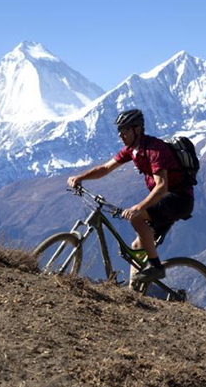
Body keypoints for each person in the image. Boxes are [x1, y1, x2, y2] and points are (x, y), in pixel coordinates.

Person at [67, 108, 194, 284]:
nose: (120, 135)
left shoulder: (155, 149)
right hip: (165, 201)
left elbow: (162, 186)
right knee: (137, 247)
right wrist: (80, 178)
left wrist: (139, 207)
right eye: (119, 130)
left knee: (136, 216)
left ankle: (156, 267)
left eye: (124, 130)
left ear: (137, 129)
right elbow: (105, 168)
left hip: (178, 200)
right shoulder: (131, 150)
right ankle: (135, 291)